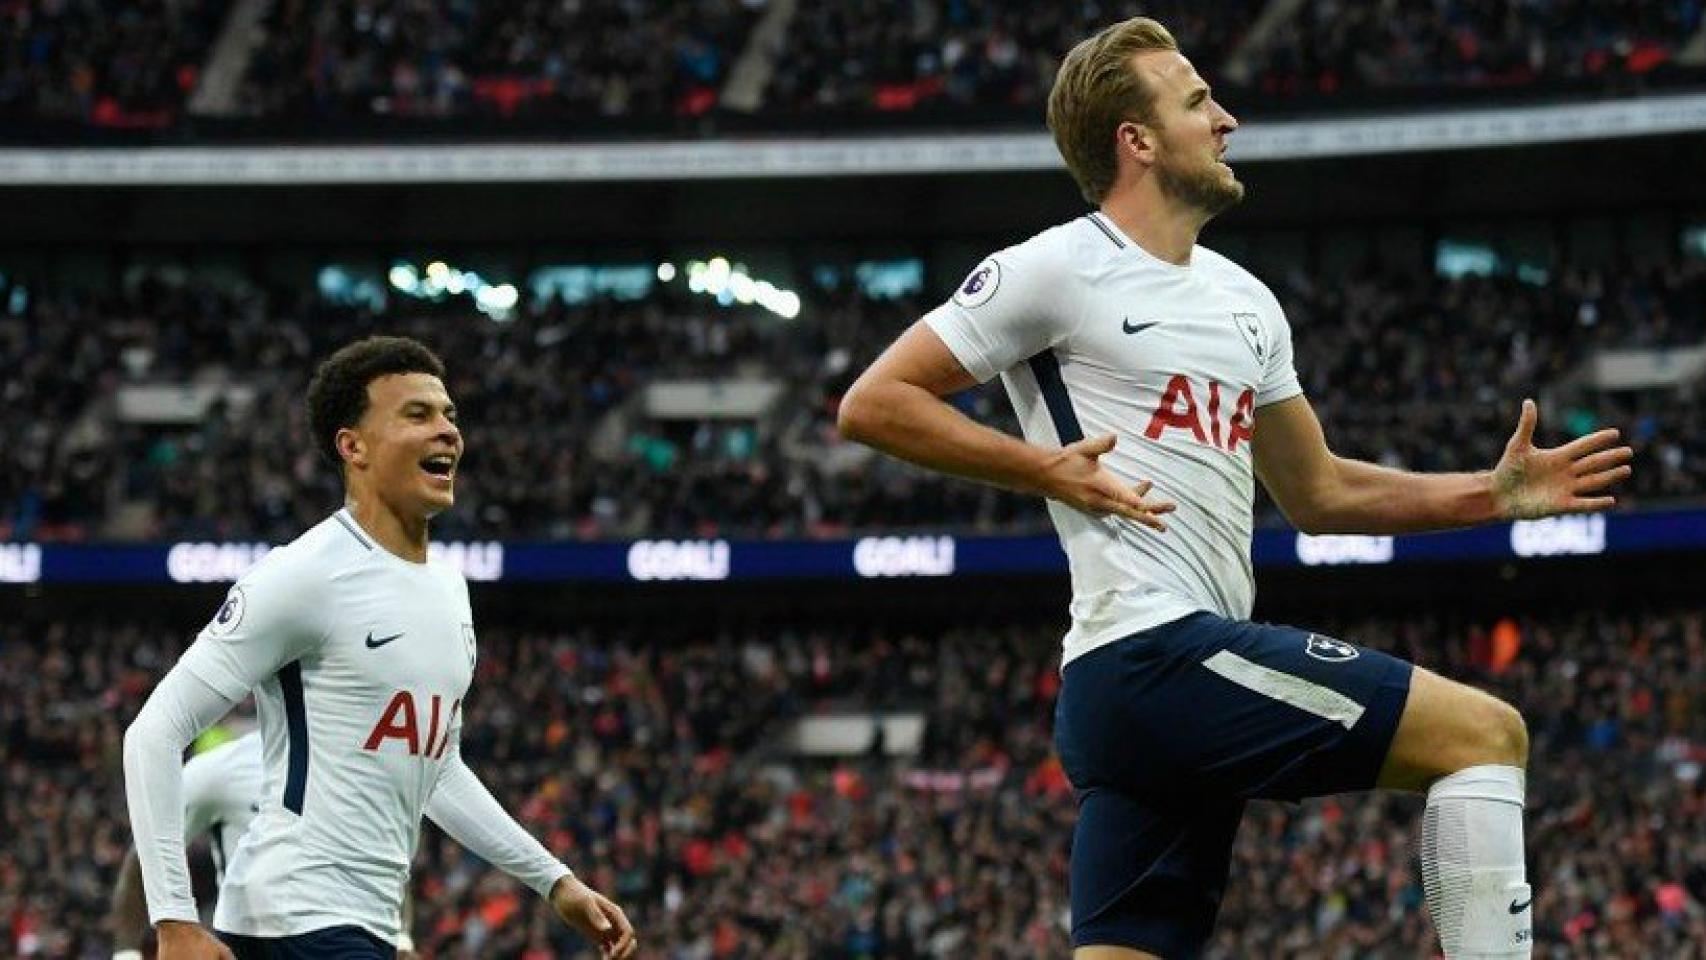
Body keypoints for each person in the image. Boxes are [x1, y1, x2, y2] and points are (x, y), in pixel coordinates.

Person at [837, 17, 1633, 960]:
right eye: (1198, 102)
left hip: (1146, 698)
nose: (1228, 119)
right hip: (1149, 654)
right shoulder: (1054, 267)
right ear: (1136, 140)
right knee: (1485, 733)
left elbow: (1321, 491)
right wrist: (1038, 465)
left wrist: (1489, 496)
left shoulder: (1246, 302)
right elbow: (874, 400)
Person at [123, 336, 637, 960]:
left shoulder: (448, 589)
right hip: (293, 920)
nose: (447, 431)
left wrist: (554, 880)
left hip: (360, 926)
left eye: (449, 415)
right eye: (417, 415)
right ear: (353, 446)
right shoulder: (305, 575)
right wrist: (174, 919)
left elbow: (436, 768)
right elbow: (154, 730)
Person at [110, 730, 423, 960]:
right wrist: (126, 952)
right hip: (254, 946)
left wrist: (403, 940)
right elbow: (146, 850)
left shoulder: (359, 770)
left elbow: (386, 858)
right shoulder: (221, 770)